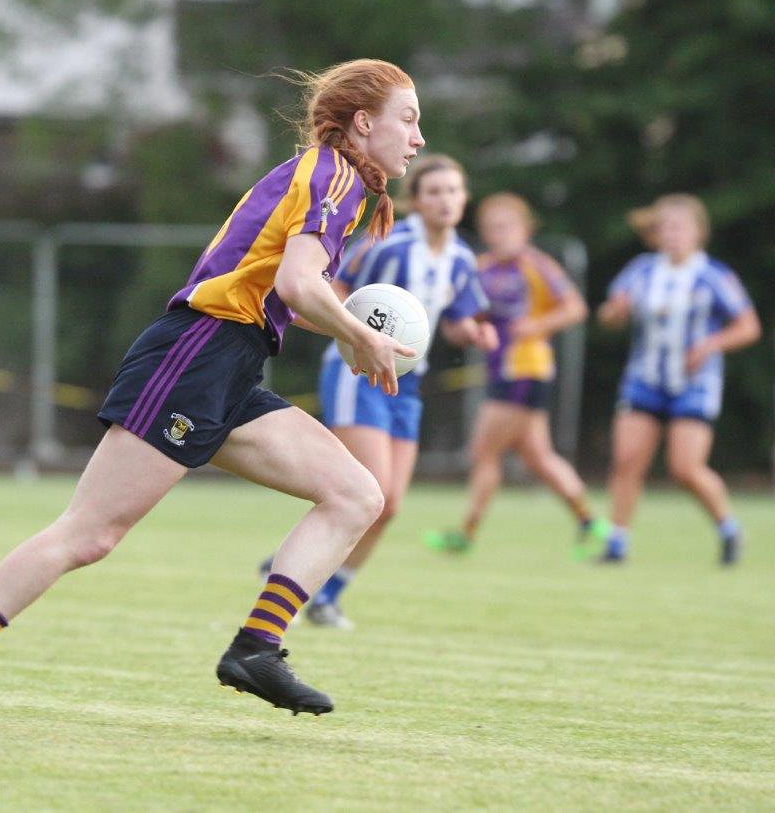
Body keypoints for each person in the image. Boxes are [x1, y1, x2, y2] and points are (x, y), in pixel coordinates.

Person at [0, 58, 424, 730]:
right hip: (196, 354)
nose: (417, 137)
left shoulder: (338, 180)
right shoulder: (335, 176)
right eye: (407, 120)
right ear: (363, 123)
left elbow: (295, 286)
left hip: (232, 365)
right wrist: (360, 334)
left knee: (358, 496)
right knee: (88, 533)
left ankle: (256, 647)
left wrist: (347, 332)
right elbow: (298, 283)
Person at [288, 153, 498, 630]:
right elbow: (332, 286)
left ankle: (327, 594)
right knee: (369, 492)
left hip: (407, 383)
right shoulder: (387, 244)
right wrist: (355, 333)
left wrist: (473, 333)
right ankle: (296, 570)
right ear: (417, 201)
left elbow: (460, 316)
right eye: (435, 192)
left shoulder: (462, 259)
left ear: (464, 198)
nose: (446, 200)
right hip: (357, 373)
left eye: (454, 191)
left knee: (390, 504)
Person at [424, 192, 606, 556]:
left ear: (525, 228)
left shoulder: (536, 265)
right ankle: (593, 525)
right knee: (539, 457)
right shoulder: (483, 267)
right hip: (503, 369)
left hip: (525, 368)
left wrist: (538, 325)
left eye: (505, 226)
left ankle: (466, 533)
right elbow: (467, 312)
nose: (497, 234)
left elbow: (575, 308)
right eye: (491, 228)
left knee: (483, 452)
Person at [595, 193, 760, 565]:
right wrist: (614, 312)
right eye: (665, 228)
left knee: (684, 468)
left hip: (695, 383)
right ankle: (617, 543)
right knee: (627, 460)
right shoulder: (641, 270)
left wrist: (710, 344)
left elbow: (749, 326)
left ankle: (729, 528)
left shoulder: (713, 275)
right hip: (644, 378)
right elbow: (608, 316)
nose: (672, 235)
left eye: (680, 227)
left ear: (699, 232)